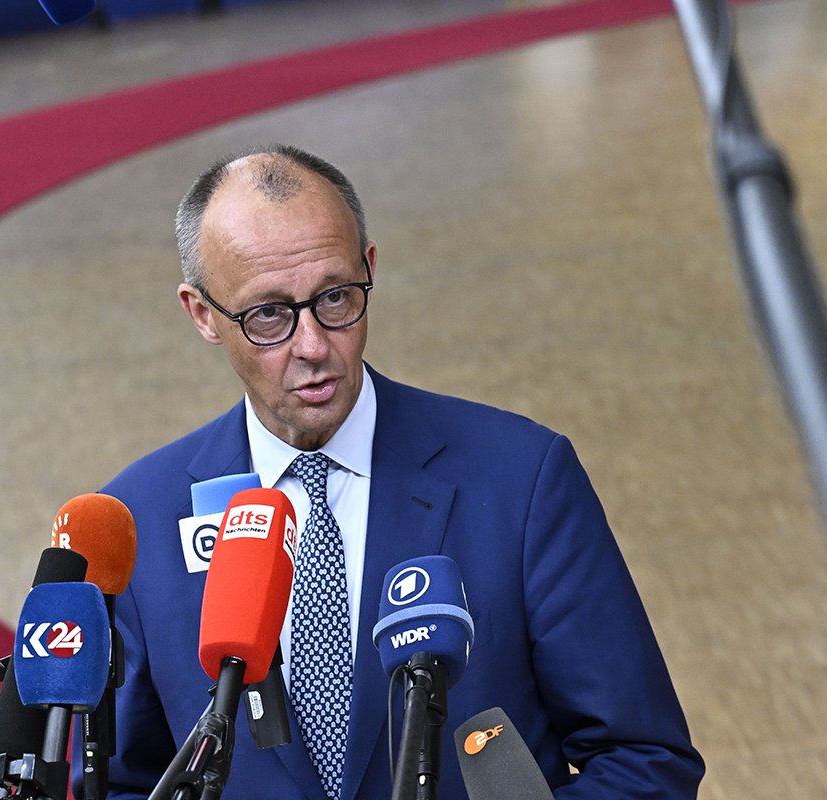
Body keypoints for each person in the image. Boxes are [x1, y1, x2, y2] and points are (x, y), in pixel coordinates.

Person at [91, 144, 704, 799]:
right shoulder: (139, 522)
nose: (313, 345)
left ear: (370, 268)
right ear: (203, 315)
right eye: (268, 314)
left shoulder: (522, 480)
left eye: (335, 297)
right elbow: (117, 784)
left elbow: (643, 760)